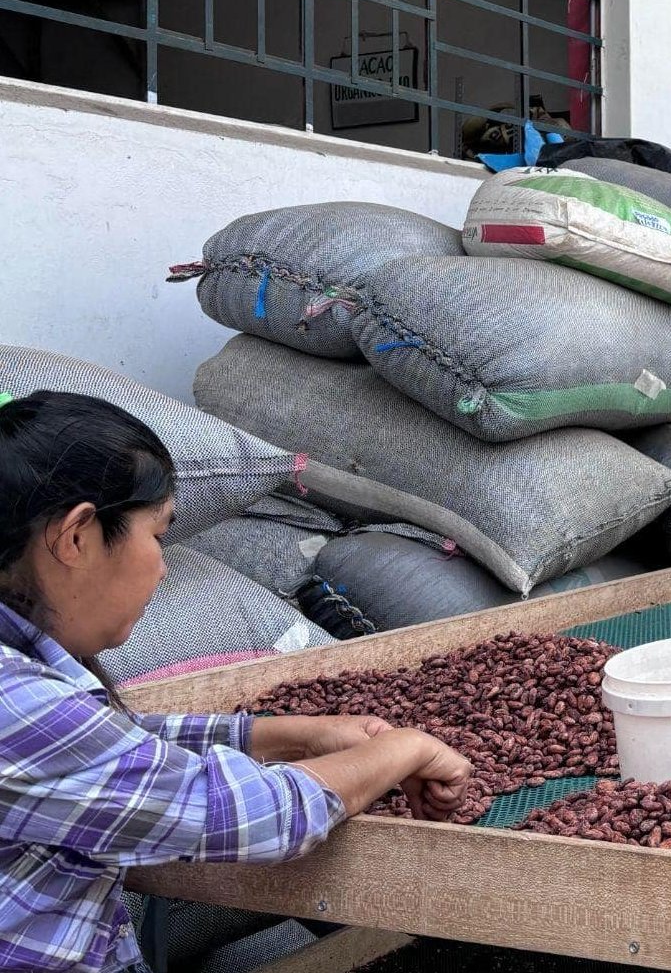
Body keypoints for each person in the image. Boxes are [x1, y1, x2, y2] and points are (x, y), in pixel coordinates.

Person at [0, 390, 475, 973]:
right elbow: (251, 816)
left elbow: (110, 746)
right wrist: (404, 748)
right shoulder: (13, 700)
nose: (164, 564)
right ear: (76, 537)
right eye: (158, 535)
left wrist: (290, 734)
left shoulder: (27, 685)